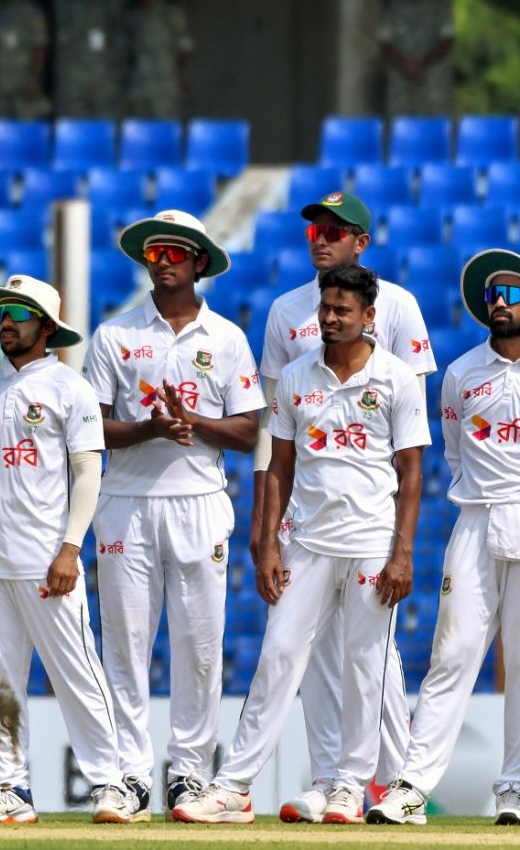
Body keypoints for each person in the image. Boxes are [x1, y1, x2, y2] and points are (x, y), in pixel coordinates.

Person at [172, 264, 430, 825]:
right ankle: (234, 787)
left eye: (343, 310)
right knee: (279, 656)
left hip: (369, 542)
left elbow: (412, 473)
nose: (331, 318)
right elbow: (277, 467)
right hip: (307, 541)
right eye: (325, 308)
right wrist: (267, 543)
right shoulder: (295, 378)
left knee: (365, 668)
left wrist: (402, 552)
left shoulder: (395, 379)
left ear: (369, 316)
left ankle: (348, 787)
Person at [367, 249, 520, 826]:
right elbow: (453, 451)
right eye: (493, 294)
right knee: (451, 655)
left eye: (513, 294)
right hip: (474, 520)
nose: (499, 302)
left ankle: (516, 789)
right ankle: (411, 787)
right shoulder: (461, 373)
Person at [254, 190, 434, 823]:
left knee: (371, 658)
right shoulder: (284, 310)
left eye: (336, 230)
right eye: (313, 231)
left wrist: (400, 543)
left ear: (362, 241)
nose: (321, 238)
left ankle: (393, 782)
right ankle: (333, 777)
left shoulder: (401, 308)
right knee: (310, 654)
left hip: (368, 516)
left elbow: (405, 422)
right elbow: (277, 429)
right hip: (309, 514)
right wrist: (264, 526)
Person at [82, 209, 264, 819]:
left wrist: (192, 423)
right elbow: (96, 430)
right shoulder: (114, 335)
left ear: (199, 263)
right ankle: (128, 778)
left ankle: (188, 773)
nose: (163, 262)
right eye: (155, 253)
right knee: (126, 646)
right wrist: (148, 428)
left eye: (176, 253)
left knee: (198, 644)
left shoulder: (227, 338)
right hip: (126, 505)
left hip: (199, 504)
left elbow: (247, 432)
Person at [0, 274, 133, 824]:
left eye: (19, 313)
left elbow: (89, 473)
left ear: (47, 327)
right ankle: (10, 789)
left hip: (48, 560)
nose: (6, 320)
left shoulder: (69, 388)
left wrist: (71, 548)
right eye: (2, 312)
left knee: (76, 670)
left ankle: (109, 784)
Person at [376, 0, 455, 118]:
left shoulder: (441, 3)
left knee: (435, 125)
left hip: (433, 85)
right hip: (399, 90)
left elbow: (447, 41)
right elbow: (384, 43)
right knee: (397, 126)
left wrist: (420, 64)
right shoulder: (392, 4)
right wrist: (407, 66)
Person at [124, 0, 193, 120]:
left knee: (166, 127)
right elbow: (127, 50)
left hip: (165, 84)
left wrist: (182, 74)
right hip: (140, 84)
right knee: (140, 131)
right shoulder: (133, 16)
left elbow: (185, 46)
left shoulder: (172, 14)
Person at [54, 0, 121, 118]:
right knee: (73, 128)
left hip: (104, 79)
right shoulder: (66, 5)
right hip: (74, 79)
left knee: (106, 127)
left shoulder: (111, 6)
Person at [0, 0, 50, 120]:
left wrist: (34, 80)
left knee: (26, 127)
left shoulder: (31, 10)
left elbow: (40, 46)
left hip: (22, 80)